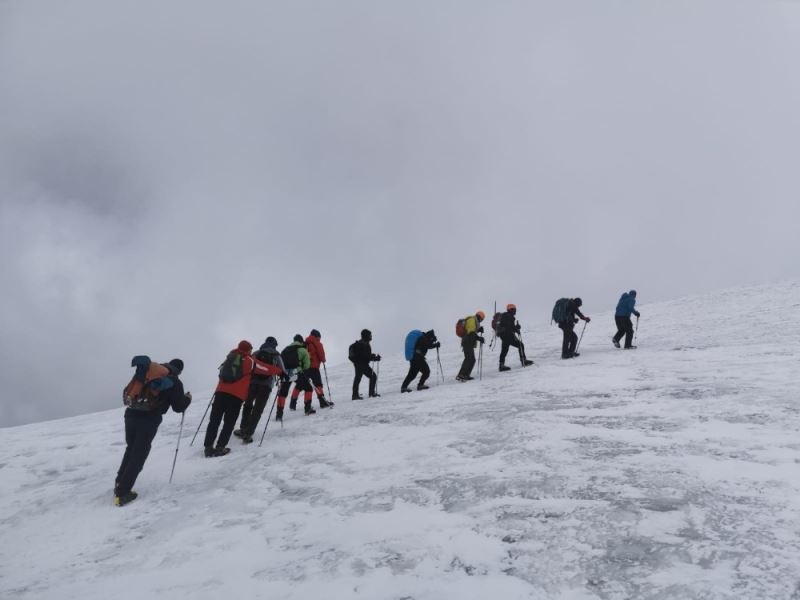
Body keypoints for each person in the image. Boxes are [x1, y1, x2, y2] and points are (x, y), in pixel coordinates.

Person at [115, 358, 191, 506]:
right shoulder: (174, 381)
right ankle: (123, 493)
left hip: (131, 414)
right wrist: (187, 399)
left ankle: (119, 482)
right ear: (179, 371)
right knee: (139, 454)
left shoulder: (147, 372)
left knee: (131, 449)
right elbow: (178, 407)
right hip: (148, 419)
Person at [204, 340, 283, 457]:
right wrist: (279, 371)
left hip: (220, 393)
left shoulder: (229, 358)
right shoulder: (249, 361)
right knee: (229, 422)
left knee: (214, 421)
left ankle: (208, 447)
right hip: (236, 396)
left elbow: (221, 373)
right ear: (248, 350)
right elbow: (265, 368)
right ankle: (220, 447)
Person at [233, 336, 284, 444]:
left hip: (252, 383)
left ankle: (243, 429)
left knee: (247, 405)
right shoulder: (276, 354)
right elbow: (282, 370)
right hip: (266, 385)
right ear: (274, 344)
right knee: (258, 409)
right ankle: (248, 433)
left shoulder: (256, 352)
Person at [274, 335, 317, 421]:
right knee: (308, 388)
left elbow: (279, 362)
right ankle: (307, 409)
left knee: (282, 393)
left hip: (286, 374)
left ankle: (279, 415)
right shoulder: (302, 350)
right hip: (297, 373)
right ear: (301, 341)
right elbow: (307, 365)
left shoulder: (285, 350)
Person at [497, 304, 534, 371]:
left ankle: (501, 365)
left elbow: (509, 327)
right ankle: (523, 361)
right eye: (514, 310)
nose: (515, 311)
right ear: (511, 310)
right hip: (508, 335)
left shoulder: (505, 316)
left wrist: (516, 329)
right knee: (520, 345)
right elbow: (509, 328)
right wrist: (516, 328)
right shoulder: (509, 316)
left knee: (504, 350)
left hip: (503, 336)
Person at [349, 329, 381, 399]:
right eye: (370, 335)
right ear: (366, 336)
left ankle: (355, 395)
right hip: (361, 365)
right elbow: (364, 356)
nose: (371, 337)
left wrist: (374, 358)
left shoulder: (364, 344)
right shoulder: (362, 345)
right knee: (372, 376)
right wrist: (373, 357)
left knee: (358, 378)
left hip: (360, 364)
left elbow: (366, 356)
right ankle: (370, 394)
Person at [305, 329, 332, 408]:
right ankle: (322, 402)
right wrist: (323, 360)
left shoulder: (306, 342)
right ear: (317, 336)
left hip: (306, 367)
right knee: (318, 384)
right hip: (314, 367)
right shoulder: (317, 342)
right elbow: (321, 353)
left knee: (308, 386)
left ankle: (307, 406)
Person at [457, 311, 485, 381]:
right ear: (479, 317)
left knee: (471, 359)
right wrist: (479, 338)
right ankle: (461, 375)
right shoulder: (472, 320)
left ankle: (466, 375)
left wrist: (478, 330)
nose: (481, 321)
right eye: (481, 319)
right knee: (469, 358)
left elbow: (471, 330)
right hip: (467, 341)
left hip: (468, 342)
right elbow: (471, 332)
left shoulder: (473, 321)